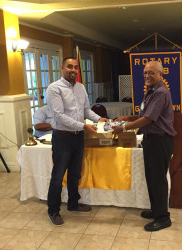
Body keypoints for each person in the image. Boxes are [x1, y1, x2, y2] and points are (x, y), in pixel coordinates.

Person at [113, 60, 176, 232]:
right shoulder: (151, 92)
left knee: (158, 180)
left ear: (160, 75)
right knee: (152, 178)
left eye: (151, 73)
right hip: (151, 140)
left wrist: (123, 128)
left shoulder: (161, 92)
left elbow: (148, 119)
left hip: (160, 141)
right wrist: (128, 118)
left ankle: (163, 218)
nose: (147, 76)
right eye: (145, 73)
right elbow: (144, 115)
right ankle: (157, 211)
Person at [46, 57, 108, 226]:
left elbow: (86, 110)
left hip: (78, 137)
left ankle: (73, 204)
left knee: (75, 173)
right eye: (69, 67)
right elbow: (59, 116)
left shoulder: (80, 87)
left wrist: (99, 118)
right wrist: (84, 126)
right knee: (58, 176)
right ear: (62, 68)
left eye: (75, 68)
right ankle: (53, 210)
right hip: (62, 137)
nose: (73, 70)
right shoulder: (54, 88)